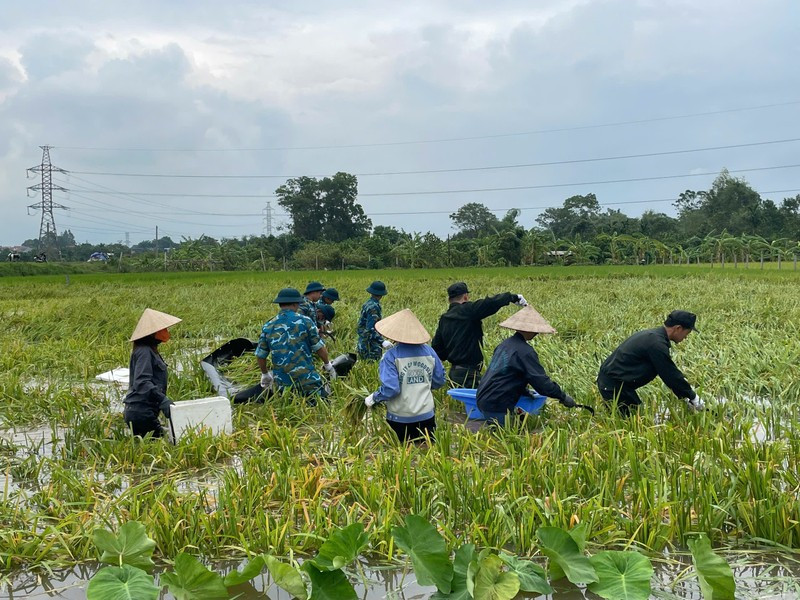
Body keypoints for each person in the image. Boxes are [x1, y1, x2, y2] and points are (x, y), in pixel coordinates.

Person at [476, 306, 576, 427]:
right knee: (504, 440)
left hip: (484, 397)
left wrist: (523, 390)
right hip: (497, 403)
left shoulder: (505, 344)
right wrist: (562, 396)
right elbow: (541, 382)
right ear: (527, 330)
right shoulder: (525, 352)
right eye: (535, 330)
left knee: (495, 434)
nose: (537, 333)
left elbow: (506, 373)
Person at [597, 310, 703, 416]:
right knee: (630, 424)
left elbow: (669, 373)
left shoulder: (653, 337)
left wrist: (684, 395)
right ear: (678, 328)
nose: (686, 337)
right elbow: (670, 374)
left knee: (635, 417)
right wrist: (692, 396)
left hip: (617, 384)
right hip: (614, 386)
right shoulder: (656, 344)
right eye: (687, 333)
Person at [364, 309, 446, 442]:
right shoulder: (430, 352)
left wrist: (375, 397)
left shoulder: (391, 356)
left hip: (400, 417)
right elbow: (439, 380)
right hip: (426, 415)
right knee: (427, 454)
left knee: (400, 456)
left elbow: (392, 389)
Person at [432, 282, 528, 388]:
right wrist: (513, 297)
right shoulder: (468, 310)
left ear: (449, 299)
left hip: (454, 374)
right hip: (470, 375)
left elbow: (438, 349)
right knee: (475, 403)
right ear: (465, 296)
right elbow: (490, 303)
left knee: (460, 403)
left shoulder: (444, 319)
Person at [256, 287, 337, 404]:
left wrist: (265, 374)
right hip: (307, 380)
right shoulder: (306, 321)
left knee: (288, 415)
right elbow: (319, 348)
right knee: (322, 409)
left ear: (280, 304)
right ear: (296, 304)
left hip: (283, 384)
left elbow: (261, 355)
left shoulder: (268, 325)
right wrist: (327, 364)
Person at [123, 308, 182, 438]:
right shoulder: (144, 352)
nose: (166, 332)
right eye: (163, 330)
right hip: (141, 413)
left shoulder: (149, 350)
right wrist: (162, 399)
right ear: (153, 333)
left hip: (140, 412)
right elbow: (142, 382)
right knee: (163, 447)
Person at [357, 281, 391, 360]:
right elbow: (371, 328)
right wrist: (382, 341)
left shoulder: (367, 303)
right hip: (370, 345)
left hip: (363, 342)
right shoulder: (374, 307)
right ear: (381, 295)